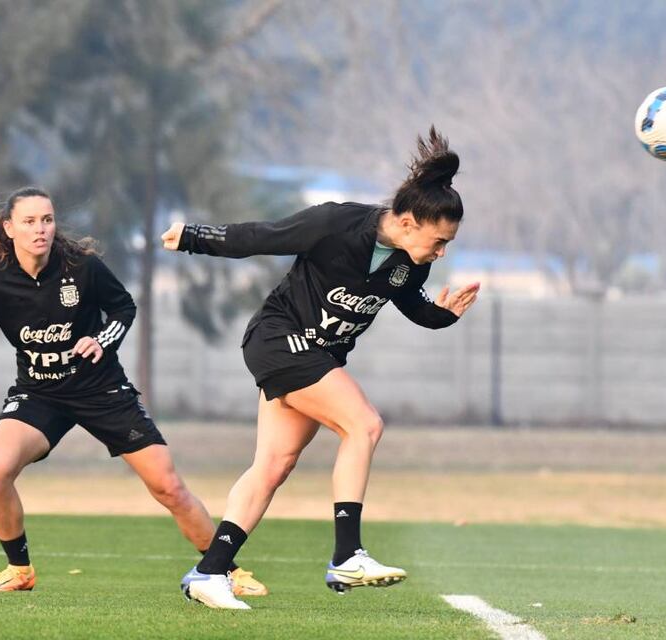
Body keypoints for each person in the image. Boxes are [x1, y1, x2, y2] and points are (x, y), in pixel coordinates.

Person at [163, 127, 480, 609]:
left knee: (273, 465)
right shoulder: (336, 224)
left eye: (447, 245)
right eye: (439, 241)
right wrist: (194, 236)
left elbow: (412, 306)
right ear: (410, 222)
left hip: (318, 357)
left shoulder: (410, 262)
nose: (441, 253)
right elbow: (262, 237)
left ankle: (209, 572)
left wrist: (444, 315)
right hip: (277, 339)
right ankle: (347, 554)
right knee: (364, 424)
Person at [0, 186, 266, 597]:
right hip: (39, 394)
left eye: (47, 219)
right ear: (8, 228)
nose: (40, 229)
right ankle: (19, 570)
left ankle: (227, 571)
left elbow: (123, 308)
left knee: (168, 486)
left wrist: (101, 340)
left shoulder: (82, 267)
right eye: (29, 221)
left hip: (102, 389)